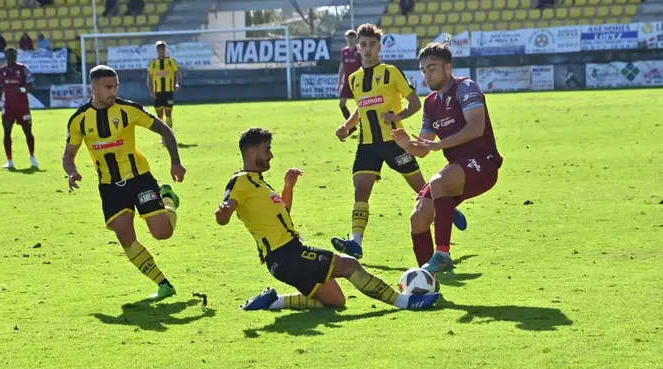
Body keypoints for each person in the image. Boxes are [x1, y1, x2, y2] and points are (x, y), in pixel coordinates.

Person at [215, 128, 439, 311]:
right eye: (267, 150)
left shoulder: (259, 183)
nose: (271, 155)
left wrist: (288, 187)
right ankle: (406, 302)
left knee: (335, 301)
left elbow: (283, 213)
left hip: (284, 257)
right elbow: (226, 212)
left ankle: (273, 301)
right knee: (349, 265)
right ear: (252, 152)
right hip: (286, 254)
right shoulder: (241, 181)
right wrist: (224, 212)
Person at [332, 23, 466, 260]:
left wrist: (398, 116)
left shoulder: (391, 72)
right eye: (363, 44)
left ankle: (448, 210)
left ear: (379, 47)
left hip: (394, 142)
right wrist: (347, 126)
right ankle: (356, 242)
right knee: (361, 189)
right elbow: (362, 108)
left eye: (372, 44)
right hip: (367, 145)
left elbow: (415, 103)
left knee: (422, 189)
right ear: (358, 49)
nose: (367, 49)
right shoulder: (354, 79)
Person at [62, 65, 187, 300]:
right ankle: (164, 285)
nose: (113, 91)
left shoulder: (128, 110)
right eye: (108, 87)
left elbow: (165, 130)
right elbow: (68, 155)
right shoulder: (78, 120)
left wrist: (176, 163)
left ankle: (168, 198)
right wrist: (72, 172)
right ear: (94, 88)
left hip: (139, 179)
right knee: (125, 237)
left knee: (162, 233)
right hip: (110, 187)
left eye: (116, 86)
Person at [392, 43, 503, 273]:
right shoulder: (431, 103)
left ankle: (442, 253)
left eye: (432, 68)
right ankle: (427, 278)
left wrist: (439, 144)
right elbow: (423, 148)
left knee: (438, 181)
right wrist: (407, 145)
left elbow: (476, 127)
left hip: (483, 162)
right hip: (457, 168)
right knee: (418, 219)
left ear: (448, 67)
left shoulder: (466, 87)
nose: (427, 74)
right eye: (423, 70)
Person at [0, 47, 38, 170]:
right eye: (9, 56)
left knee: (28, 132)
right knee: (7, 133)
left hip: (23, 107)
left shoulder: (23, 69)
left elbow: (32, 87)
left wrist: (22, 89)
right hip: (8, 107)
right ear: (6, 57)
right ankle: (9, 161)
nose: (11, 58)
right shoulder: (1, 71)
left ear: (16, 57)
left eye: (13, 56)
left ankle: (32, 157)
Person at [147, 41, 181, 140]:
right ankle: (163, 136)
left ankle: (169, 135)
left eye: (163, 49)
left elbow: (177, 73)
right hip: (157, 93)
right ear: (156, 50)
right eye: (159, 49)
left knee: (168, 113)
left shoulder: (171, 61)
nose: (161, 51)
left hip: (168, 92)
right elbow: (149, 78)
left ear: (165, 50)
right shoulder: (153, 64)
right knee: (159, 115)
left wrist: (177, 83)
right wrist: (151, 91)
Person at [337, 29, 360, 137]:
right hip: (347, 81)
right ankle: (351, 126)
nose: (350, 39)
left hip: (357, 82)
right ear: (346, 38)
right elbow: (342, 67)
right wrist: (339, 82)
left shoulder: (359, 50)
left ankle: (363, 127)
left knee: (361, 105)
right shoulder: (344, 51)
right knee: (342, 103)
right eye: (348, 37)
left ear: (355, 38)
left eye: (352, 37)